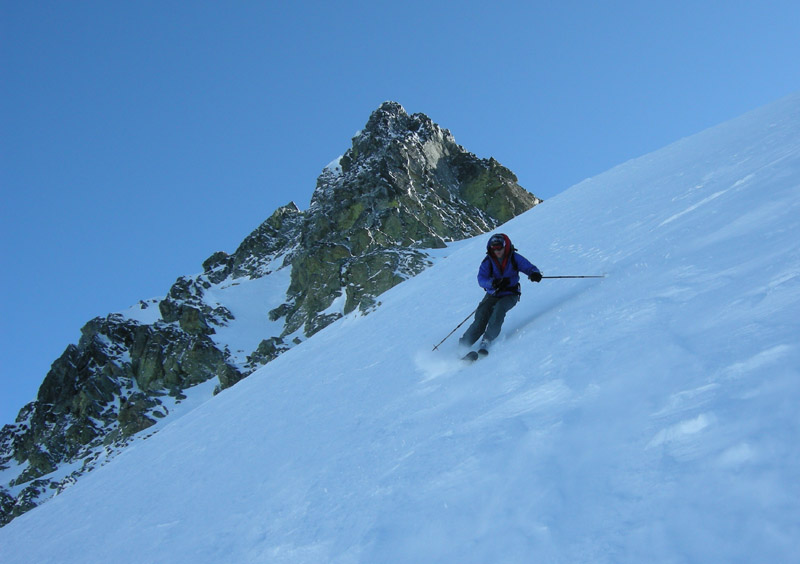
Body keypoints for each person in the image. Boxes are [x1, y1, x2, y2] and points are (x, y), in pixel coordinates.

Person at [459, 233, 542, 352]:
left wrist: (534, 273)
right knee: (481, 314)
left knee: (498, 310)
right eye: (494, 248)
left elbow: (528, 267)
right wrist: (493, 283)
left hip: (511, 293)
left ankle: (487, 340)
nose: (497, 251)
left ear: (505, 246)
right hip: (493, 293)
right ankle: (464, 344)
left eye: (500, 247)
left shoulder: (514, 257)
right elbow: (481, 279)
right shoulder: (488, 261)